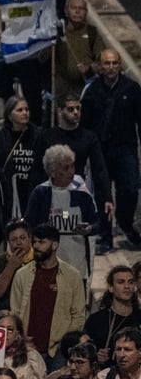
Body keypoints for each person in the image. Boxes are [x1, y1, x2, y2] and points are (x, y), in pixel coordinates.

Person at [80, 49, 141, 247]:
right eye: (107, 64)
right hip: (101, 152)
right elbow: (85, 125)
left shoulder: (132, 89)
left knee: (130, 189)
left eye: (115, 63)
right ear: (99, 66)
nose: (111, 68)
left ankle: (125, 222)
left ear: (120, 65)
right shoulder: (91, 92)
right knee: (102, 195)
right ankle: (106, 235)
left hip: (126, 149)